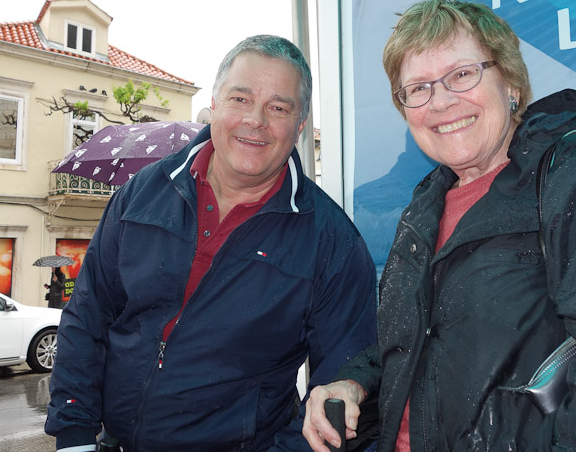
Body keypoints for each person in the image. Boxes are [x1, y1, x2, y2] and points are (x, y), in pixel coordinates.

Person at [302, 0, 576, 451]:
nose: (441, 101)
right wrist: (355, 385)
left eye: (461, 74)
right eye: (417, 88)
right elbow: (429, 341)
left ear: (510, 82)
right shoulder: (426, 206)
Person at [45, 35, 377, 452]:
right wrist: (74, 437)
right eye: (240, 98)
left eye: (278, 107)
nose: (255, 119)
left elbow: (343, 386)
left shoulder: (333, 241)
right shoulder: (140, 195)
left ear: (300, 125)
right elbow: (87, 316)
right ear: (215, 104)